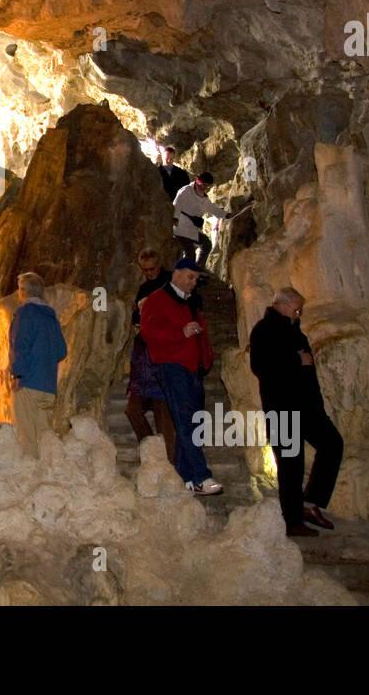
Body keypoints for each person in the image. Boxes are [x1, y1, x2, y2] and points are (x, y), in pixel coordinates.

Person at [248, 287, 343, 537]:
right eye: (297, 308)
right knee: (291, 465)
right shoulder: (264, 330)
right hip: (282, 407)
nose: (299, 313)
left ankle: (310, 503)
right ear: (283, 304)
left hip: (308, 406)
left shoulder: (293, 330)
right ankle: (292, 520)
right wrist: (296, 361)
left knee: (332, 444)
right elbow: (260, 366)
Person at [138, 257, 222, 495]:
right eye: (190, 277)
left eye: (196, 279)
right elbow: (148, 330)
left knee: (195, 422)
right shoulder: (157, 299)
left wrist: (206, 357)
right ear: (176, 274)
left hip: (193, 368)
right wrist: (179, 332)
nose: (194, 283)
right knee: (186, 421)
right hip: (172, 366)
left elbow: (200, 334)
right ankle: (201, 476)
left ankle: (186, 479)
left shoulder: (191, 303)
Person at [8, 272, 68, 457]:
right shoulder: (51, 316)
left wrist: (18, 374)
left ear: (24, 291)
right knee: (45, 436)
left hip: (29, 383)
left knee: (28, 437)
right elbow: (61, 351)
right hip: (48, 387)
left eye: (19, 290)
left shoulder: (25, 313)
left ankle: (30, 477)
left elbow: (20, 345)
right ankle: (48, 473)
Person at [126, 249, 175, 462]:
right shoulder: (144, 288)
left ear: (159, 265)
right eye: (145, 270)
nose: (149, 273)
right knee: (132, 410)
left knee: (165, 422)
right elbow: (135, 317)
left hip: (164, 372)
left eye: (152, 269)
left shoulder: (171, 283)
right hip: (145, 373)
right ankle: (151, 449)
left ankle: (171, 464)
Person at [172, 172, 232, 269]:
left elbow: (213, 209)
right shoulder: (186, 190)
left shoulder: (204, 198)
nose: (204, 188)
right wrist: (175, 218)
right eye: (203, 185)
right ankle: (184, 274)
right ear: (197, 181)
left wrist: (227, 215)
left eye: (207, 186)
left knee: (206, 244)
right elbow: (177, 204)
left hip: (192, 228)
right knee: (190, 253)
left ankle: (199, 269)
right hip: (180, 227)